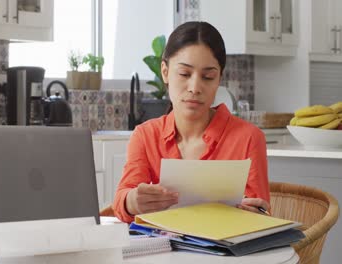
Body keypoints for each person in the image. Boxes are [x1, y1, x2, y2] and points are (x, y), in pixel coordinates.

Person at [113, 21, 270, 223]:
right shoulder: (145, 135)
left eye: (208, 77)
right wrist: (132, 201)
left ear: (219, 79)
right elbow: (121, 201)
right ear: (165, 72)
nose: (195, 87)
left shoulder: (248, 138)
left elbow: (261, 215)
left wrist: (257, 215)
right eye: (185, 74)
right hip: (162, 251)